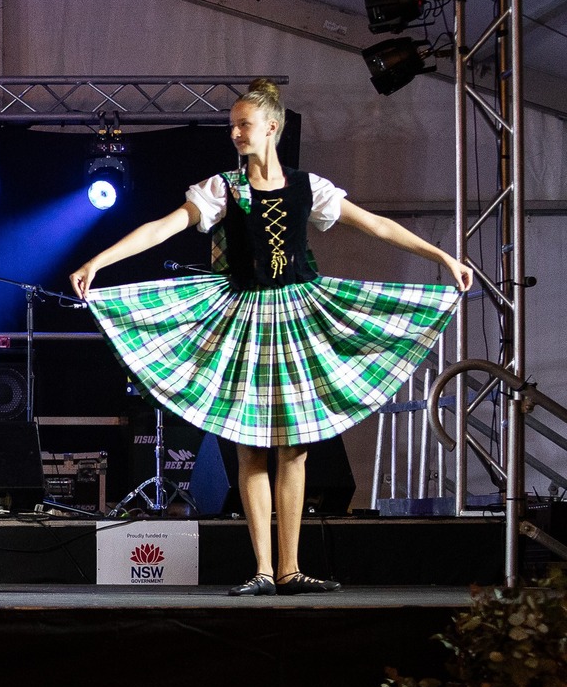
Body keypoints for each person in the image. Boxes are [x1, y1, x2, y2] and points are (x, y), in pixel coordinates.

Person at [70, 79, 471, 596]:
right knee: (252, 449)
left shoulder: (309, 188)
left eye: (244, 124)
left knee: (295, 449)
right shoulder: (224, 188)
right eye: (232, 125)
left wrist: (442, 257)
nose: (235, 133)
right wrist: (97, 262)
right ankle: (262, 568)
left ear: (272, 127)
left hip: (299, 318)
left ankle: (290, 568)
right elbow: (163, 227)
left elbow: (375, 225)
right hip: (245, 321)